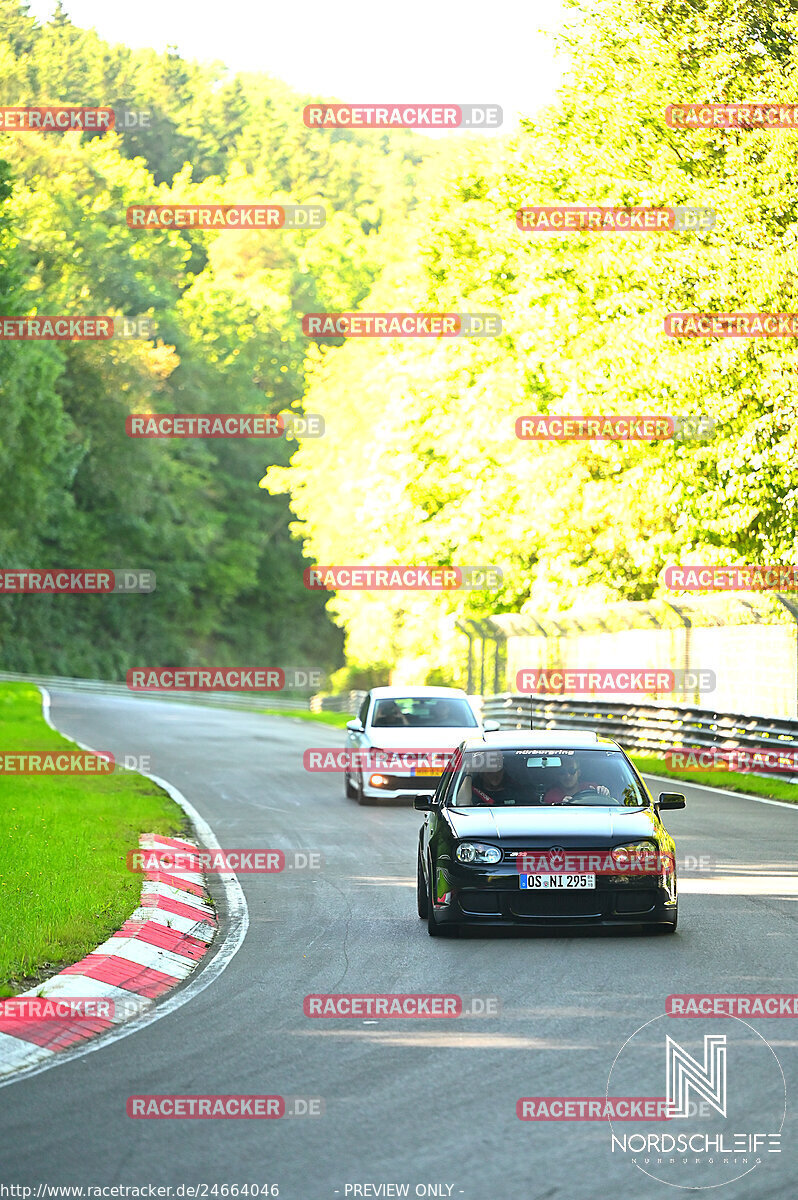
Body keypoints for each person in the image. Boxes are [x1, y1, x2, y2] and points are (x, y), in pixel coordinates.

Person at [543, 758, 610, 805]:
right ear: (557, 775)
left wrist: (605, 794)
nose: (567, 775)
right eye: (562, 772)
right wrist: (561, 806)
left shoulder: (592, 788)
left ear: (579, 773)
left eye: (571, 770)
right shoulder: (551, 796)